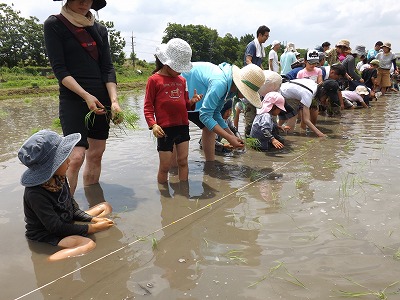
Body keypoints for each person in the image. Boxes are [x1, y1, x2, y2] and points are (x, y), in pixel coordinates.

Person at [44, 0, 123, 195]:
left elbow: (107, 68)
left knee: (96, 155)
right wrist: (86, 95)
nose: (83, 2)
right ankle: (66, 207)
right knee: (76, 156)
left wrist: (114, 101)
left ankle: (93, 200)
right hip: (73, 99)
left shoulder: (100, 30)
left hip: (102, 100)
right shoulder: (54, 24)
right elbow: (60, 69)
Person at [18, 130, 114, 262]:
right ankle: (48, 261)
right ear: (51, 167)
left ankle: (77, 228)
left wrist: (93, 220)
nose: (69, 161)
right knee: (88, 244)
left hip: (65, 220)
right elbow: (56, 227)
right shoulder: (35, 194)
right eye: (63, 160)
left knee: (105, 206)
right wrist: (92, 228)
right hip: (48, 234)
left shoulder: (60, 179)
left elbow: (73, 209)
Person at [143, 38, 202, 184]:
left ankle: (184, 192)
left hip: (182, 126)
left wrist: (192, 102)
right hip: (164, 129)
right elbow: (148, 107)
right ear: (167, 63)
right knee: (165, 166)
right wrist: (153, 125)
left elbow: (185, 105)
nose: (180, 70)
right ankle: (165, 200)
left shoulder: (182, 81)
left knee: (183, 161)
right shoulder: (154, 80)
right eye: (178, 67)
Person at [182, 63, 265, 161]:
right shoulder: (220, 83)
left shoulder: (230, 89)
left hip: (198, 99)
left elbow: (216, 113)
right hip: (180, 89)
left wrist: (232, 135)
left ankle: (209, 164)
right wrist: (229, 138)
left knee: (209, 128)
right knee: (177, 132)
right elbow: (205, 116)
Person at [242, 25, 270, 136]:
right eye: (266, 36)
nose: (267, 38)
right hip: (250, 77)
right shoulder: (252, 45)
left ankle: (254, 132)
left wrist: (264, 73)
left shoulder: (261, 47)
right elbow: (248, 60)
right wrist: (256, 71)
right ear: (260, 35)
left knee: (256, 105)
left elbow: (259, 62)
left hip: (256, 78)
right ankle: (248, 134)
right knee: (249, 106)